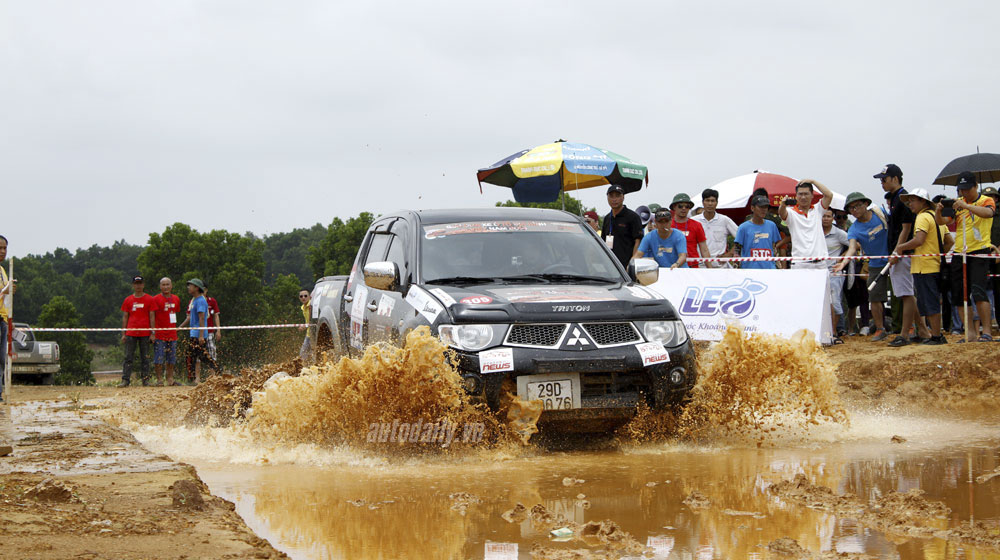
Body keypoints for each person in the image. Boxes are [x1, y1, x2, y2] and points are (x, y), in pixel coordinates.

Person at [937, 171, 996, 342]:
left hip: (979, 251)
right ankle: (969, 332)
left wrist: (967, 206)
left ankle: (986, 332)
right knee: (958, 294)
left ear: (975, 186)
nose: (964, 193)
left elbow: (988, 213)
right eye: (961, 189)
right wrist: (939, 212)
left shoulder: (986, 200)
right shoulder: (958, 205)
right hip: (959, 252)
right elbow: (943, 222)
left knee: (979, 291)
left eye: (967, 189)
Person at [835, 192, 890, 341]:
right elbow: (852, 248)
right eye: (851, 208)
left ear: (866, 204)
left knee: (905, 294)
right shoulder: (854, 229)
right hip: (874, 264)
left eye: (858, 205)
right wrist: (843, 263)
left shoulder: (880, 213)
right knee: (874, 297)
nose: (855, 210)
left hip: (895, 259)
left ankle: (913, 327)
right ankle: (880, 329)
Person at [896, 188, 948, 344]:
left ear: (923, 201)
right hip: (934, 264)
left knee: (930, 302)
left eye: (913, 200)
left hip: (924, 266)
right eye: (909, 200)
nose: (910, 204)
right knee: (931, 301)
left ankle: (937, 336)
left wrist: (901, 247)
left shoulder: (922, 217)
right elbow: (949, 241)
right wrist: (937, 252)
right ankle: (935, 334)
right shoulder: (936, 217)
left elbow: (919, 240)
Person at [876, 164, 920, 346]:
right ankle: (923, 330)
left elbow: (906, 228)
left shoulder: (903, 198)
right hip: (898, 251)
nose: (882, 183)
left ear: (895, 178)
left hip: (903, 253)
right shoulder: (894, 199)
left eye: (884, 179)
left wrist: (897, 250)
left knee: (906, 294)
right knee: (904, 293)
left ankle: (905, 333)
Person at [778, 179, 834, 269]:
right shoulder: (791, 212)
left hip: (820, 263)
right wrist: (783, 204)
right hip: (800, 263)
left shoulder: (818, 209)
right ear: (796, 196)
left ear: (812, 195)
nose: (803, 197)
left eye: (806, 194)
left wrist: (813, 181)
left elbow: (829, 195)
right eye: (800, 194)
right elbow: (782, 213)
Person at [119, 275, 156, 387]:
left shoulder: (150, 299)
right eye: (136, 283)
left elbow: (152, 316)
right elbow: (125, 316)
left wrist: (153, 333)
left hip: (145, 333)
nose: (138, 286)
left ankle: (146, 380)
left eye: (140, 283)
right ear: (133, 285)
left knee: (145, 358)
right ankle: (125, 380)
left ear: (143, 285)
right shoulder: (128, 300)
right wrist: (123, 333)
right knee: (128, 357)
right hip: (131, 332)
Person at [183, 278, 219, 382]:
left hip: (198, 334)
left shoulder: (201, 301)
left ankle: (215, 372)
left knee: (199, 357)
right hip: (195, 333)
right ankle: (196, 377)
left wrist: (201, 335)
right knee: (198, 356)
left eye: (190, 286)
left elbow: (202, 318)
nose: (188, 288)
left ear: (197, 288)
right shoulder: (195, 300)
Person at [600, 185, 644, 268]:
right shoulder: (607, 218)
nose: (614, 199)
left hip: (626, 266)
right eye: (611, 196)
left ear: (623, 197)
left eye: (617, 196)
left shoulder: (633, 217)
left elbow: (638, 241)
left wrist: (632, 263)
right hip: (609, 265)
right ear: (607, 198)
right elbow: (603, 241)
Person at [694, 188, 739, 268]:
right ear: (703, 202)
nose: (710, 204)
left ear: (717, 203)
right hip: (699, 267)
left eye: (712, 201)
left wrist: (729, 254)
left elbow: (741, 238)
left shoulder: (724, 220)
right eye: (707, 200)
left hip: (721, 267)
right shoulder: (694, 221)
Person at [823, 208, 850, 342]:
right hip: (818, 271)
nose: (826, 219)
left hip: (834, 272)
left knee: (835, 302)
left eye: (828, 216)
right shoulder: (814, 232)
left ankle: (833, 332)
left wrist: (843, 258)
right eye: (824, 216)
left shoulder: (839, 233)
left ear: (833, 218)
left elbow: (854, 246)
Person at [734, 195, 781, 269]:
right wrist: (737, 269)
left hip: (769, 269)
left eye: (766, 207)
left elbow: (774, 247)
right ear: (752, 208)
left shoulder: (772, 225)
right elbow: (737, 250)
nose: (764, 210)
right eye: (761, 207)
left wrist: (778, 266)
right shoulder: (743, 227)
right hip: (750, 269)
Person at [151, 277, 180, 386]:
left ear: (171, 286)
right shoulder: (156, 299)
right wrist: (153, 332)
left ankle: (170, 379)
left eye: (168, 284)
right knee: (159, 358)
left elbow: (175, 313)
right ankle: (159, 380)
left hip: (172, 334)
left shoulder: (176, 299)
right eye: (163, 285)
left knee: (171, 358)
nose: (166, 287)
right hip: (159, 334)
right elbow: (152, 316)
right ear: (160, 286)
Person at [669, 193, 710, 268]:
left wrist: (711, 269)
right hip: (672, 267)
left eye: (687, 206)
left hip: (693, 267)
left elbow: (704, 249)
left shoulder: (697, 225)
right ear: (674, 207)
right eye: (680, 206)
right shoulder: (668, 226)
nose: (684, 208)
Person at [982, 186, 1000, 331]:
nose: (990, 199)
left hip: (998, 255)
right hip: (985, 256)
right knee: (993, 292)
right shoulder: (980, 213)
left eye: (993, 197)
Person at [0, 235, 10, 402]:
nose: (2, 252)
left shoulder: (2, 271)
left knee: (1, 359)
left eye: (4, 248)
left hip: (2, 318)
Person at [298, 289, 313, 363]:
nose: (303, 297)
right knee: (304, 354)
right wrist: (305, 325)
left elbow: (312, 320)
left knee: (303, 354)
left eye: (305, 296)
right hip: (308, 333)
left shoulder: (311, 305)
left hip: (313, 333)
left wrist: (305, 326)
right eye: (301, 296)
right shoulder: (303, 307)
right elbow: (307, 321)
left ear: (309, 297)